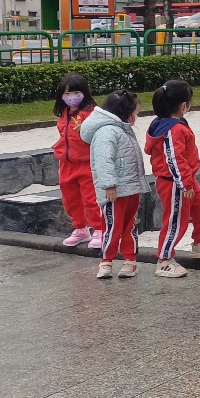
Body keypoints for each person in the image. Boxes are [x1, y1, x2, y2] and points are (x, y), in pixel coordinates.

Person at [144, 80, 200, 278]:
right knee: (175, 222)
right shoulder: (173, 129)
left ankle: (199, 243)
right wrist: (185, 183)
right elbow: (174, 159)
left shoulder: (167, 124)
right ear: (183, 106)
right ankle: (164, 260)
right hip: (175, 183)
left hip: (184, 179)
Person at [81, 89, 147, 280]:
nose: (136, 118)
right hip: (115, 191)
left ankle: (129, 259)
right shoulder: (107, 132)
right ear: (126, 113)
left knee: (129, 224)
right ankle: (106, 260)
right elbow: (103, 160)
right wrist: (109, 185)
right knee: (112, 226)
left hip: (130, 187)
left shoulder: (121, 130)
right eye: (135, 113)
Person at [52, 73, 103, 249]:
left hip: (85, 162)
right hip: (67, 162)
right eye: (67, 93)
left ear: (84, 93)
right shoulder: (65, 113)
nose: (71, 97)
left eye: (75, 93)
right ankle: (81, 228)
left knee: (91, 198)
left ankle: (99, 229)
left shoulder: (91, 114)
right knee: (70, 198)